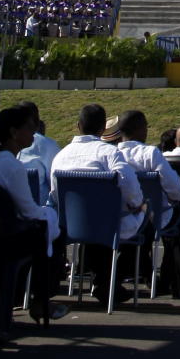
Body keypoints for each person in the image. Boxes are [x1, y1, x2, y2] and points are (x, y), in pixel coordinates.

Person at [50, 103, 146, 306]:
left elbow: (55, 194)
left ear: (78, 125)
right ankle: (109, 280)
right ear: (104, 128)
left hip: (72, 227)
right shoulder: (109, 153)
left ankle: (102, 279)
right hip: (108, 225)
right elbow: (129, 184)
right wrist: (137, 204)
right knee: (142, 218)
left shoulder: (60, 156)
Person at [0, 105, 66, 328]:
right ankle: (40, 300)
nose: (35, 131)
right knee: (50, 232)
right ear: (14, 133)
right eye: (30, 127)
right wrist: (51, 215)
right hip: (1, 237)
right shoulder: (11, 165)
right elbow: (29, 211)